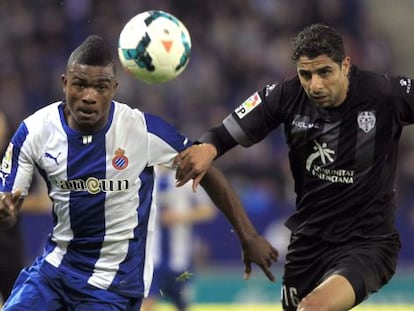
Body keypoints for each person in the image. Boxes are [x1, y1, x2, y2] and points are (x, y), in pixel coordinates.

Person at [0, 35, 278, 310]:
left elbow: (206, 169)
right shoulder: (34, 131)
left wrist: (248, 236)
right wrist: (6, 213)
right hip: (53, 273)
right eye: (80, 84)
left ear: (114, 88)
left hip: (113, 286)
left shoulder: (141, 130)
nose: (89, 97)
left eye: (100, 87)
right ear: (64, 83)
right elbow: (8, 207)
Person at [174, 23, 404, 311]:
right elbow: (223, 134)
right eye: (305, 74)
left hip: (368, 242)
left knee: (314, 308)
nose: (315, 85)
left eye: (324, 72)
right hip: (308, 243)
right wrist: (207, 148)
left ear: (345, 65)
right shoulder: (285, 95)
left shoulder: (383, 93)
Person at [141, 166, 216, 311]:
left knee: (183, 305)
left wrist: (179, 217)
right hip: (151, 259)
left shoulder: (186, 176)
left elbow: (208, 210)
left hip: (181, 259)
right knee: (147, 303)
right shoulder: (144, 173)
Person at [0, 111, 51, 306]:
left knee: (14, 301)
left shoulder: (19, 161)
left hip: (10, 245)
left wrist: (11, 203)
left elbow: (43, 202)